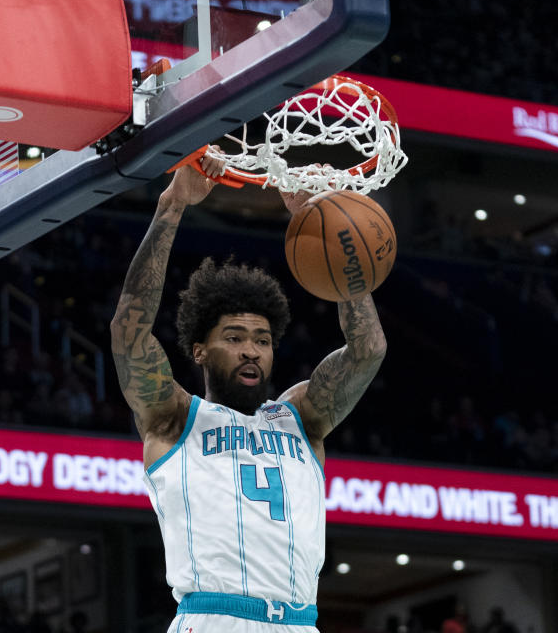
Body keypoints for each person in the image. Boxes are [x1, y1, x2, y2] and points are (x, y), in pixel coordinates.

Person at [110, 151, 387, 632]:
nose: (251, 351)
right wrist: (173, 205)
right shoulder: (175, 418)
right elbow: (128, 334)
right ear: (199, 351)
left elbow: (368, 350)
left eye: (261, 340)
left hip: (302, 622)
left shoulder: (302, 417)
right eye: (234, 338)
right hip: (214, 617)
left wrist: (325, 221)